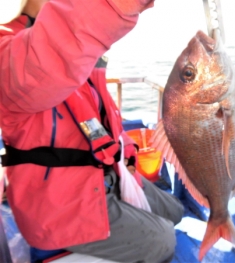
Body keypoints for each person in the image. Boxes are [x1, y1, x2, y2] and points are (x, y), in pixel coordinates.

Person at [0, 0, 184, 262]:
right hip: (59, 207)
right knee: (163, 239)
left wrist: (128, 155)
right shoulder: (11, 54)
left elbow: (104, 119)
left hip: (103, 178)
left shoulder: (67, 60)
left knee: (174, 211)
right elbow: (58, 48)